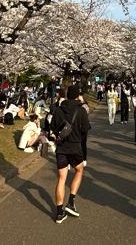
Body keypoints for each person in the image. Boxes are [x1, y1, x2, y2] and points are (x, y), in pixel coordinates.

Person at [51, 85, 91, 224]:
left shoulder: (58, 110)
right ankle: (71, 201)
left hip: (61, 148)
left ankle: (59, 212)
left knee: (61, 178)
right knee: (79, 170)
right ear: (77, 96)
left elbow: (52, 128)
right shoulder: (81, 111)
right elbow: (85, 130)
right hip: (75, 147)